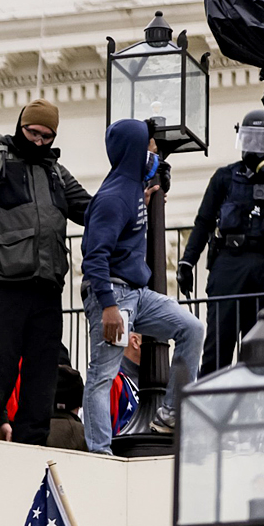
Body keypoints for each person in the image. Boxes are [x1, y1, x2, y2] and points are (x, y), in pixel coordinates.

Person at [0, 100, 89, 445]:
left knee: (43, 381)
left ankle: (32, 451)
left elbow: (91, 209)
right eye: (32, 133)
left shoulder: (56, 172)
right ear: (19, 125)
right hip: (1, 287)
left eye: (46, 136)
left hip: (46, 290)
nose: (39, 141)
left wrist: (132, 190)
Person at [81, 119, 205, 454]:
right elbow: (94, 258)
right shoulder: (113, 198)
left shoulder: (132, 190)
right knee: (103, 373)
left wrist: (146, 206)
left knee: (191, 328)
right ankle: (99, 451)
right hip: (114, 296)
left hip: (137, 294)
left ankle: (172, 413)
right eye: (150, 145)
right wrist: (107, 307)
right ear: (135, 150)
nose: (154, 152)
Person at [180, 110, 264, 372]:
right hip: (229, 265)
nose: (254, 148)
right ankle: (210, 407)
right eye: (249, 139)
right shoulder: (225, 178)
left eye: (261, 141)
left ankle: (259, 408)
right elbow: (203, 222)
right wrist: (186, 262)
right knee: (218, 346)